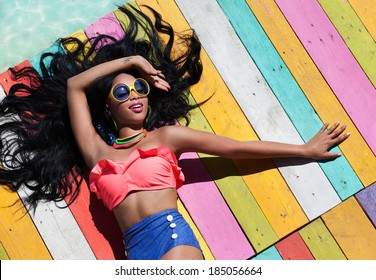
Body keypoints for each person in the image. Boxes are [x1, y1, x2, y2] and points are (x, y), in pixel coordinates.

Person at [0, 6, 349, 260]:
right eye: (122, 93)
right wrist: (129, 63)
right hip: (135, 250)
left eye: (139, 87)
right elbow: (75, 86)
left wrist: (305, 150)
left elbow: (236, 147)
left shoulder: (167, 138)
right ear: (108, 107)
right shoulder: (97, 153)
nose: (134, 95)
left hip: (172, 238)